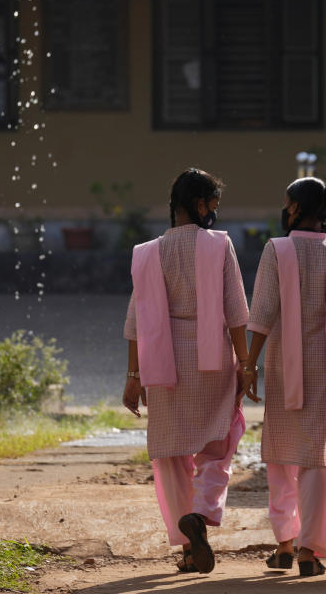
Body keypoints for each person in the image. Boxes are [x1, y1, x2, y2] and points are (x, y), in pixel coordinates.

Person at [122, 168, 250, 575]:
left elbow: (135, 319)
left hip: (163, 363)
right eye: (213, 203)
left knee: (173, 456)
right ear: (200, 204)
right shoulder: (218, 245)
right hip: (212, 359)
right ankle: (201, 514)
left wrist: (133, 376)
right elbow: (236, 310)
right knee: (219, 443)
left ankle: (189, 546)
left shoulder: (146, 252)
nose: (215, 210)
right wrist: (246, 364)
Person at [244, 177, 326, 577]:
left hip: (285, 364)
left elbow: (263, 312)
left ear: (297, 207)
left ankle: (285, 542)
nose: (284, 208)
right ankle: (309, 550)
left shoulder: (277, 248)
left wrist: (249, 363)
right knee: (320, 459)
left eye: (288, 202)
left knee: (281, 455)